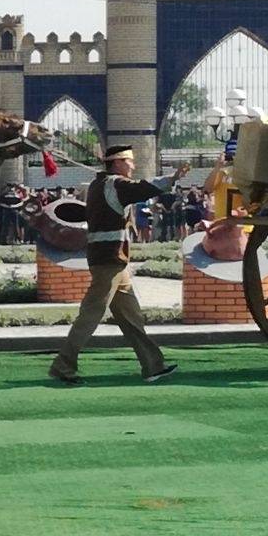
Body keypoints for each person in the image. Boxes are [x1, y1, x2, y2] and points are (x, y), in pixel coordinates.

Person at [48, 145, 189, 385]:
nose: (132, 166)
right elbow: (141, 189)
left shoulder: (98, 185)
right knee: (91, 314)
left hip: (112, 261)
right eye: (129, 161)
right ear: (117, 162)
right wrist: (172, 178)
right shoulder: (114, 184)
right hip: (109, 260)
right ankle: (63, 365)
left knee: (131, 316)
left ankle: (153, 365)